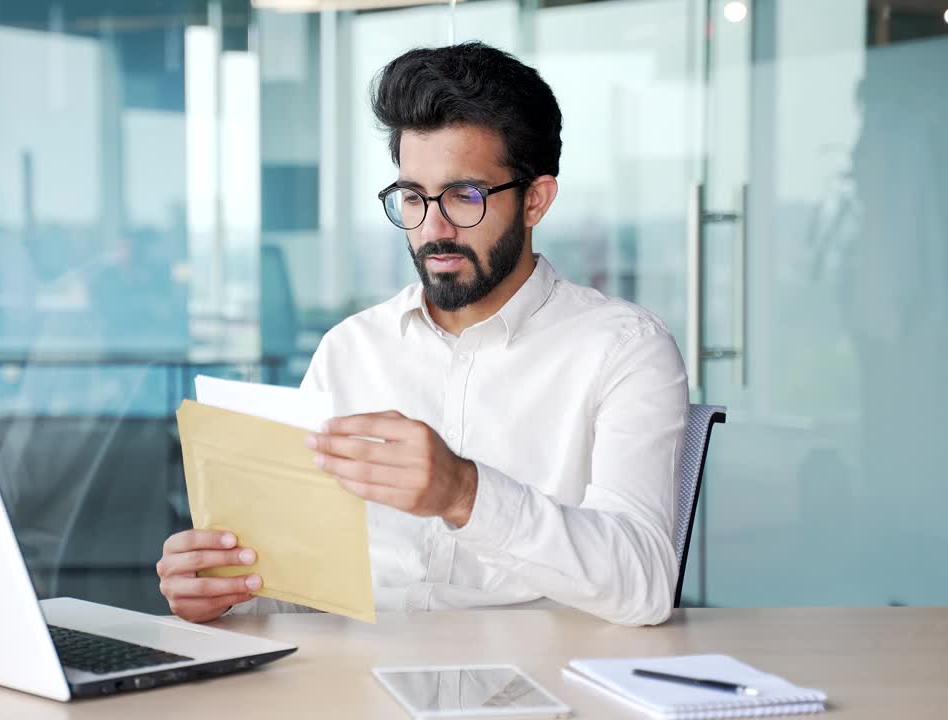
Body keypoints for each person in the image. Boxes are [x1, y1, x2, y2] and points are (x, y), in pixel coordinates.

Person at [156, 42, 688, 627]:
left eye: (465, 196)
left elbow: (645, 583)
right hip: (352, 682)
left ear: (535, 200)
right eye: (413, 197)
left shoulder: (624, 350)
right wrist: (229, 587)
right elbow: (292, 576)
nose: (433, 229)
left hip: (537, 685)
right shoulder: (349, 350)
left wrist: (465, 494)